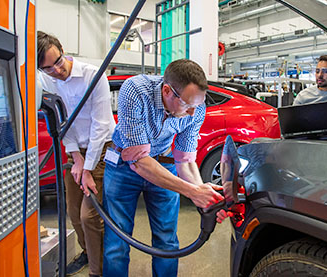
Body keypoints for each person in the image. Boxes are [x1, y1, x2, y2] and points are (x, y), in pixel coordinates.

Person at [102, 59, 225, 276]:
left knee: (166, 239)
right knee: (117, 242)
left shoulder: (196, 109)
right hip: (123, 168)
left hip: (165, 165)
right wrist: (192, 191)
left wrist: (205, 197)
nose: (191, 113)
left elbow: (185, 160)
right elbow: (139, 160)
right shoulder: (136, 90)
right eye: (187, 104)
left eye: (197, 105)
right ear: (167, 90)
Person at [37, 31, 115, 277]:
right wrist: (76, 158)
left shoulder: (93, 75)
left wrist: (88, 167)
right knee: (73, 211)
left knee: (89, 215)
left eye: (58, 62)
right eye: (48, 68)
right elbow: (61, 121)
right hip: (77, 151)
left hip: (102, 148)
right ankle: (87, 252)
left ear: (63, 50)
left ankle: (98, 270)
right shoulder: (46, 80)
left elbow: (101, 124)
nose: (57, 71)